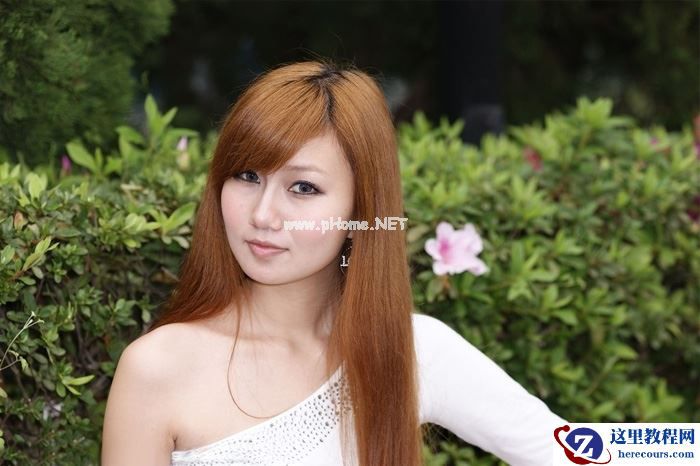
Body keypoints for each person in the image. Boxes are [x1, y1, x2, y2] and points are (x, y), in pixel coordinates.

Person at [101, 59, 567, 466]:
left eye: (303, 188)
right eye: (246, 176)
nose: (263, 215)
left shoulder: (409, 349)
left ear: (359, 210)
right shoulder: (158, 368)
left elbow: (572, 451)